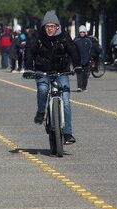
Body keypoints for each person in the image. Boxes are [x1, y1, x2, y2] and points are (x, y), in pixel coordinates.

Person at [24, 10, 81, 145]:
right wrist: (28, 68)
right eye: (47, 26)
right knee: (43, 90)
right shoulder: (38, 37)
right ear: (44, 27)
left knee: (66, 101)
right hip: (42, 71)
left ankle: (67, 133)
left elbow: (73, 50)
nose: (50, 29)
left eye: (52, 26)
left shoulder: (64, 37)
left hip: (61, 71)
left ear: (57, 26)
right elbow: (29, 53)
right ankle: (41, 112)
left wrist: (77, 66)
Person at [74, 25, 93, 92]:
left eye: (83, 32)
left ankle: (84, 87)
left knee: (85, 74)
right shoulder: (76, 40)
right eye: (81, 32)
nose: (82, 33)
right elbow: (73, 50)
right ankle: (79, 87)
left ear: (85, 33)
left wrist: (90, 58)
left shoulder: (88, 40)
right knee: (79, 74)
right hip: (78, 60)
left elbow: (91, 50)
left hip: (87, 60)